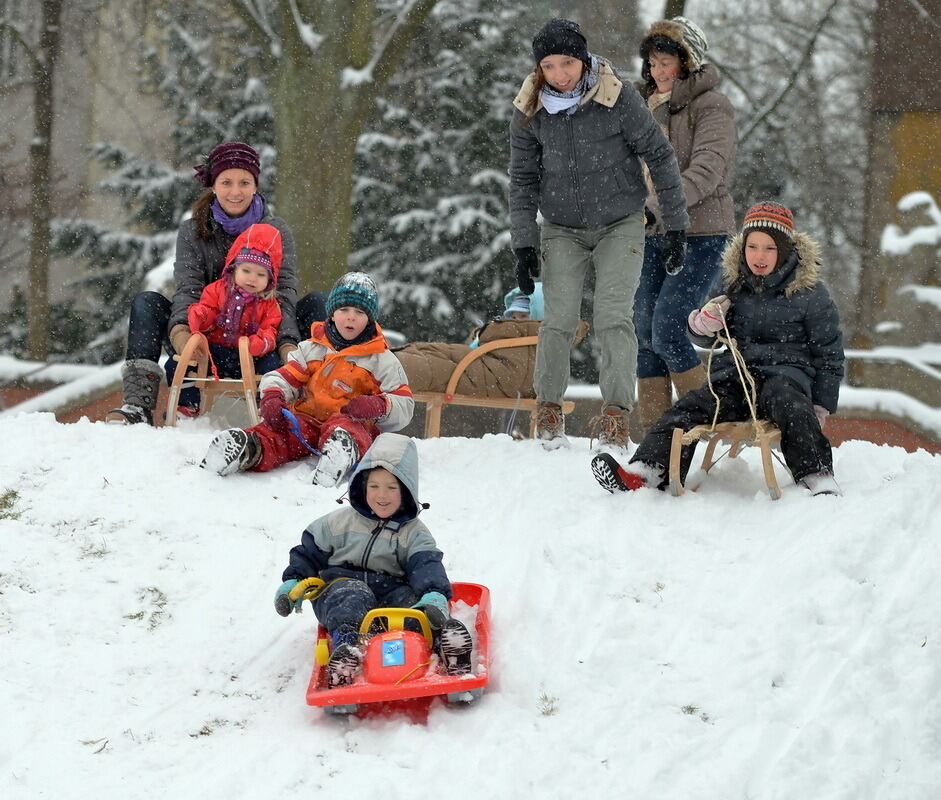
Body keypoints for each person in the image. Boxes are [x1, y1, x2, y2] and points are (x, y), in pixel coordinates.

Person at [509, 18, 689, 451]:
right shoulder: (529, 106)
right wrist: (523, 244)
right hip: (561, 228)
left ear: (583, 58)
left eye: (567, 62)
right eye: (548, 66)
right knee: (559, 320)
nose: (559, 74)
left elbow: (660, 156)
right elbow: (522, 179)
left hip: (620, 222)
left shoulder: (618, 96)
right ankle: (548, 412)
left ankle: (615, 417)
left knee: (613, 317)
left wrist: (676, 222)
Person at [591, 202, 845, 497]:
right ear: (743, 247)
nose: (759, 256)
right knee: (688, 407)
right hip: (735, 378)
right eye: (753, 247)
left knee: (793, 408)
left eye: (769, 248)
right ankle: (648, 469)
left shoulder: (810, 292)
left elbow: (830, 354)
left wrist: (821, 404)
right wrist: (702, 326)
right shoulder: (732, 283)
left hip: (786, 378)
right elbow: (708, 338)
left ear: (786, 249)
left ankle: (816, 474)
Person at [107, 141, 326, 425]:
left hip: (260, 338)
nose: (235, 192)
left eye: (244, 182)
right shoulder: (193, 230)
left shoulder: (276, 231)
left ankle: (317, 402)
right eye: (226, 182)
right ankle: (138, 407)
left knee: (319, 303)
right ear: (213, 185)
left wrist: (286, 345)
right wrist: (184, 335)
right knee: (146, 303)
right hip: (207, 338)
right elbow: (188, 288)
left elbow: (283, 293)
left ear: (256, 185)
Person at [273, 433, 474, 688]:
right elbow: (307, 552)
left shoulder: (413, 532)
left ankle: (446, 647)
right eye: (374, 486)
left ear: (407, 490)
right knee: (352, 599)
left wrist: (433, 593)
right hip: (341, 587)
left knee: (413, 610)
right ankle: (347, 651)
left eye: (392, 487)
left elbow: (426, 564)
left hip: (390, 591)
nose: (382, 495)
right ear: (361, 486)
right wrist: (293, 581)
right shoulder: (338, 522)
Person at [200, 272, 414, 488]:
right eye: (344, 310)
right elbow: (285, 376)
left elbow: (404, 403)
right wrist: (273, 395)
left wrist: (380, 405)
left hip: (350, 421)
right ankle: (248, 447)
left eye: (359, 312)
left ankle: (341, 452)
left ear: (370, 318)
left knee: (350, 427)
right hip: (307, 420)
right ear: (331, 313)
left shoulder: (381, 359)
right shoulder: (312, 348)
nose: (351, 317)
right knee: (280, 432)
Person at [633, 17, 737, 440]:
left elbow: (706, 171)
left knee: (670, 326)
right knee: (643, 329)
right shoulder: (639, 107)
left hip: (700, 233)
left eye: (667, 62)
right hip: (651, 232)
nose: (658, 71)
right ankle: (656, 437)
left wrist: (655, 209)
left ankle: (710, 421)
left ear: (688, 63)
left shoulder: (712, 106)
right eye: (653, 62)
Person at [183, 222, 285, 382]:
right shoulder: (216, 290)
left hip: (250, 357)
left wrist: (262, 342)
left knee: (273, 365)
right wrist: (201, 315)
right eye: (246, 271)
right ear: (234, 269)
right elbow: (209, 311)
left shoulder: (270, 304)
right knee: (183, 362)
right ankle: (187, 403)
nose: (252, 278)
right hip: (216, 353)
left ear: (270, 280)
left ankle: (264, 400)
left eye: (261, 275)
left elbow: (271, 330)